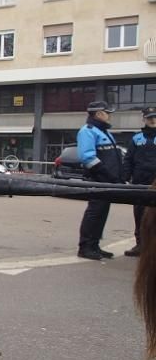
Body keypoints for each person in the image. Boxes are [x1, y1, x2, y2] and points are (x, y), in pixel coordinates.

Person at [76, 100, 123, 260]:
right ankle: (85, 247)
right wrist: (108, 176)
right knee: (94, 213)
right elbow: (87, 158)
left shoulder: (103, 131)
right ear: (98, 114)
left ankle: (94, 245)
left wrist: (118, 177)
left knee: (102, 214)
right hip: (98, 180)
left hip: (107, 181)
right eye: (107, 113)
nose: (109, 116)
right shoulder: (87, 131)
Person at [123, 107, 156, 257]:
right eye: (149, 118)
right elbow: (128, 160)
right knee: (140, 215)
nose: (153, 120)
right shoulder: (136, 138)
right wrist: (124, 177)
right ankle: (140, 245)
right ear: (144, 119)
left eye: (155, 117)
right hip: (139, 183)